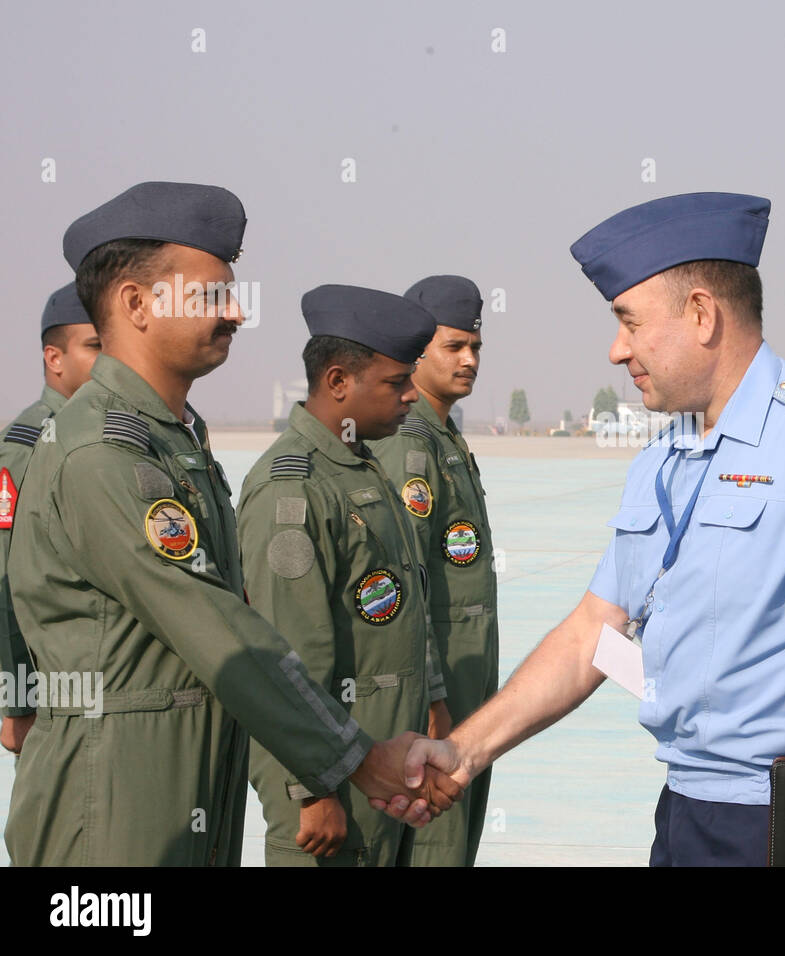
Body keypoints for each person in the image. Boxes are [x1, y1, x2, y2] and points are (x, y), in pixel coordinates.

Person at [392, 192, 785, 867]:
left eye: (630, 323)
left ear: (701, 314)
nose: (617, 350)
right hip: (684, 810)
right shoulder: (664, 459)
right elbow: (594, 634)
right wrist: (464, 751)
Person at [5, 182, 455, 866]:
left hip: (183, 793)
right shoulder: (103, 452)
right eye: (213, 295)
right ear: (135, 304)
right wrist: (354, 758)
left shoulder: (172, 444)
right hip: (113, 811)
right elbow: (220, 631)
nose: (237, 313)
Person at [237, 284, 451, 865]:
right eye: (394, 383)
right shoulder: (294, 488)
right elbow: (282, 660)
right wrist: (311, 790)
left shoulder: (361, 467)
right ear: (338, 382)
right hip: (329, 793)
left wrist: (431, 700)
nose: (411, 395)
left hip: (378, 772)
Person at [372, 275, 499, 867]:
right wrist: (431, 692)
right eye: (455, 346)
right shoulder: (411, 443)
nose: (469, 359)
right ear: (418, 350)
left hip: (465, 683)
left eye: (476, 346)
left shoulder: (444, 436)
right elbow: (403, 577)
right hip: (439, 694)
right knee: (433, 847)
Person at [0, 284, 100, 756]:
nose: (109, 361)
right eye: (95, 347)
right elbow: (5, 581)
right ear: (54, 358)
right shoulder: (25, 446)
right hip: (56, 702)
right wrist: (17, 702)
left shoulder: (107, 433)